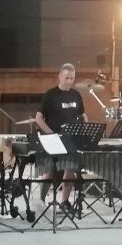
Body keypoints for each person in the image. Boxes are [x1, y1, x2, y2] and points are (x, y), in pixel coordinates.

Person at [34, 63, 87, 211]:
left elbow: (83, 115)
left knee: (69, 171)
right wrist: (51, 134)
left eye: (72, 78)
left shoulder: (76, 95)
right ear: (59, 76)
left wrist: (84, 128)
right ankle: (41, 201)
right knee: (50, 172)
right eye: (66, 78)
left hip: (71, 139)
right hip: (54, 139)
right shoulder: (50, 95)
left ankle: (64, 202)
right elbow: (38, 118)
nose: (69, 81)